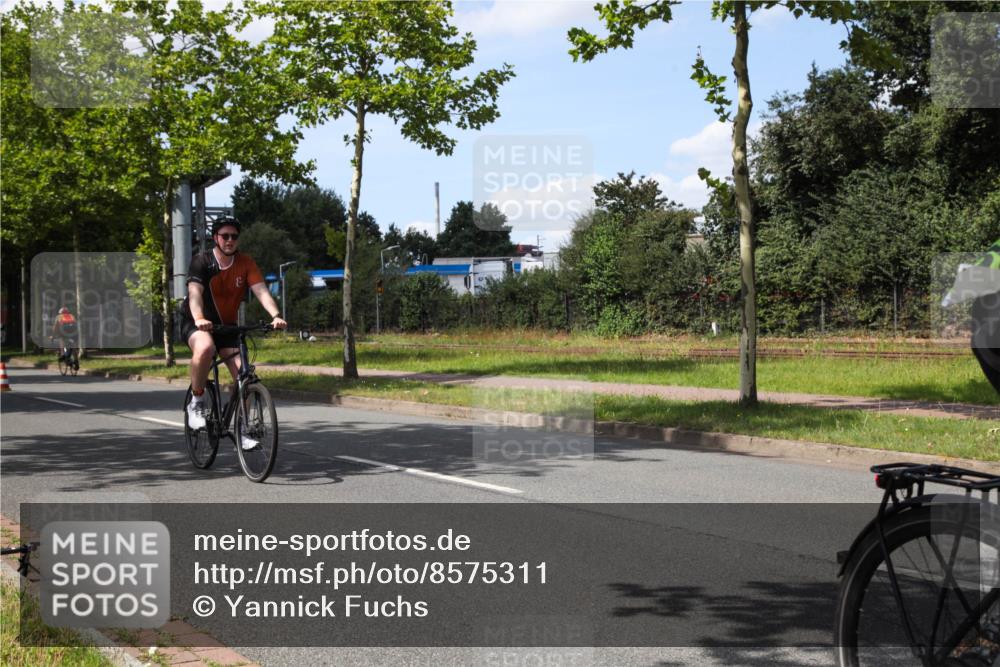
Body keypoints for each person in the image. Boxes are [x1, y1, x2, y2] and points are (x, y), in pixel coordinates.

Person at [180, 217, 286, 443]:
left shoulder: (245, 263)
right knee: (206, 348)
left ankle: (244, 430)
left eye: (234, 236)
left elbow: (261, 291)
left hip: (227, 327)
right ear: (215, 238)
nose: (230, 240)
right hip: (196, 322)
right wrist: (199, 318)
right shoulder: (202, 261)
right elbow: (195, 293)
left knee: (244, 377)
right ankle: (197, 402)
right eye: (225, 236)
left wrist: (275, 315)